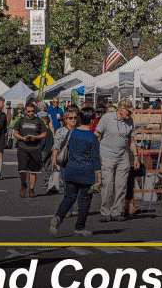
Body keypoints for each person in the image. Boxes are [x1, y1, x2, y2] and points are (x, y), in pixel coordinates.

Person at [49, 106, 101, 237]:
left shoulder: (71, 133)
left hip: (71, 170)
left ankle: (58, 217)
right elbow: (95, 158)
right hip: (86, 172)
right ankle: (79, 227)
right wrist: (99, 176)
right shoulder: (92, 137)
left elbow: (62, 147)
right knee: (85, 200)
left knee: (69, 197)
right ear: (91, 121)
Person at [94, 99, 138, 222]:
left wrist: (135, 157)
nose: (129, 114)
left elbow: (132, 141)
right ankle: (105, 211)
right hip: (107, 155)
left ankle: (117, 211)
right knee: (108, 184)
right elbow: (96, 134)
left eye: (130, 112)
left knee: (121, 186)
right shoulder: (107, 118)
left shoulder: (129, 121)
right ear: (120, 109)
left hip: (123, 156)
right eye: (127, 111)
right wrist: (97, 152)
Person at [11, 101, 50, 198]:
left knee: (33, 171)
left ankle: (32, 189)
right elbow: (15, 133)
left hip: (35, 148)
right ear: (25, 111)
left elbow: (44, 134)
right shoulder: (21, 120)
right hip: (23, 148)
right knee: (22, 170)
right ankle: (23, 185)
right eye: (28, 111)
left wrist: (36, 137)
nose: (30, 113)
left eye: (32, 111)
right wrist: (22, 138)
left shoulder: (38, 121)